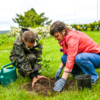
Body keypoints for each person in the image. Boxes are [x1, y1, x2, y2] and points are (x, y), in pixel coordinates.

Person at [50, 21, 100, 92]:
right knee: (64, 58)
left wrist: (63, 79)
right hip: (86, 57)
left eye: (57, 36)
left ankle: (93, 77)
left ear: (63, 31)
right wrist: (60, 69)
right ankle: (78, 73)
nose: (55, 38)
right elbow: (66, 54)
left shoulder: (72, 37)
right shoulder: (65, 38)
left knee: (79, 58)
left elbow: (71, 58)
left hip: (97, 57)